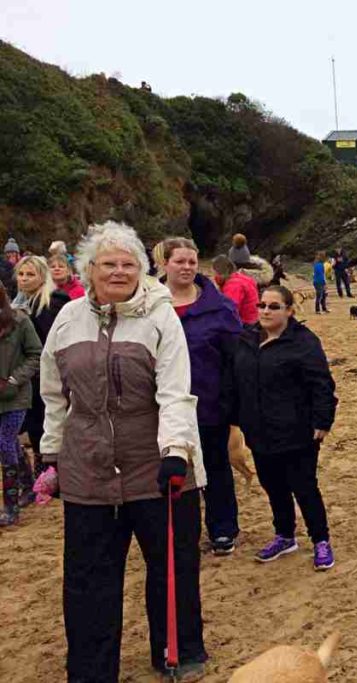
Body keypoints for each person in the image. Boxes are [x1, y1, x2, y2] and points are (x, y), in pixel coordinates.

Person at [39, 221, 208, 680]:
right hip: (88, 467)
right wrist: (51, 453)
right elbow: (55, 394)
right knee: (88, 577)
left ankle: (178, 649)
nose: (119, 271)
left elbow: (176, 390)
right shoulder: (67, 319)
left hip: (157, 465)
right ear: (88, 270)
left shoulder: (160, 315)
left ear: (142, 268)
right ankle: (92, 668)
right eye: (108, 264)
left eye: (128, 264)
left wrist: (175, 450)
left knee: (172, 565)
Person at [229, 285, 338, 570]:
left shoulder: (304, 342)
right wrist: (235, 418)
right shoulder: (246, 338)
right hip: (259, 430)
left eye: (274, 306)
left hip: (297, 432)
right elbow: (235, 382)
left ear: (289, 310)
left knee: (304, 487)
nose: (265, 311)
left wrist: (323, 421)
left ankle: (320, 540)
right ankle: (285, 535)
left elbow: (322, 384)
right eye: (262, 305)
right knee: (273, 486)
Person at [162, 237, 243, 556]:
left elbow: (234, 360)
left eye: (191, 262)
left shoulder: (220, 307)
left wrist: (232, 407)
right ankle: (177, 532)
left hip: (210, 405)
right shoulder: (147, 305)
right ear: (164, 264)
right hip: (162, 409)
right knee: (170, 472)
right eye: (179, 261)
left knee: (215, 468)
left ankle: (223, 529)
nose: (185, 267)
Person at [12, 255, 69, 476]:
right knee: (34, 425)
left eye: (30, 274)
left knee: (44, 423)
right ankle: (38, 472)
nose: (24, 279)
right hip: (27, 374)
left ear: (42, 276)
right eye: (21, 274)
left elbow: (50, 343)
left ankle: (47, 471)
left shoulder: (50, 304)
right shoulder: (18, 303)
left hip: (46, 372)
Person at [0, 284, 42, 526]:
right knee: (9, 443)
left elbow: (35, 353)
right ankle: (27, 485)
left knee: (5, 443)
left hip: (15, 396)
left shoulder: (19, 321)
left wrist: (15, 379)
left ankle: (11, 506)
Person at [213, 255, 259, 324]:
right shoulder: (242, 278)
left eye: (215, 273)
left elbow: (229, 312)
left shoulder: (233, 286)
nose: (214, 276)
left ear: (220, 273)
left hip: (246, 324)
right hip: (254, 319)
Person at [312, 250, 330, 314]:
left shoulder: (318, 264)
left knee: (324, 295)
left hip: (318, 281)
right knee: (319, 296)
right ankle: (317, 310)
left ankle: (324, 308)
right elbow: (321, 275)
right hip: (319, 282)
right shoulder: (319, 265)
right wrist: (324, 283)